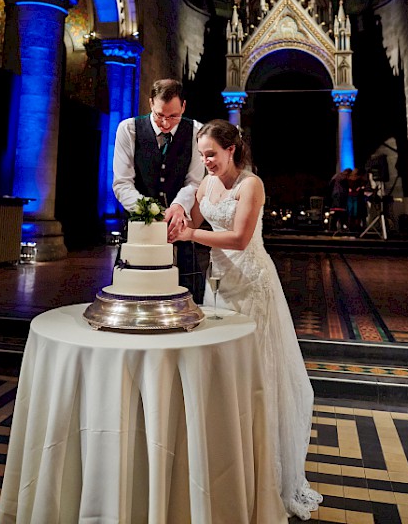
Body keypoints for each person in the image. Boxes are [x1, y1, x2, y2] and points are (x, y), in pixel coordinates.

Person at [168, 119, 323, 521]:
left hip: (252, 284)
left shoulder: (250, 185)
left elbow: (238, 237)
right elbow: (196, 221)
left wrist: (191, 238)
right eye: (202, 156)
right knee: (223, 372)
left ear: (231, 150)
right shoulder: (206, 183)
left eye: (212, 155)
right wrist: (176, 220)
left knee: (258, 373)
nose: (206, 162)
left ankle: (264, 473)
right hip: (217, 286)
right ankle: (226, 464)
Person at [112, 78, 206, 301]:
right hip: (140, 230)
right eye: (159, 115)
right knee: (135, 298)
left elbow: (194, 181)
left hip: (180, 228)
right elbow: (122, 183)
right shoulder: (129, 129)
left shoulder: (196, 131)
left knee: (188, 302)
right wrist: (151, 211)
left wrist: (178, 206)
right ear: (151, 103)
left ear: (183, 106)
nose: (165, 123)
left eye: (173, 116)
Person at [328, 167, 352, 234]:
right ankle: (342, 227)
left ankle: (332, 227)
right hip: (341, 195)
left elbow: (330, 183)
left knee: (335, 211)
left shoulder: (336, 175)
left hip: (335, 194)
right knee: (341, 212)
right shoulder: (345, 178)